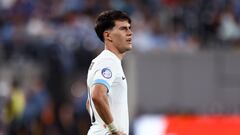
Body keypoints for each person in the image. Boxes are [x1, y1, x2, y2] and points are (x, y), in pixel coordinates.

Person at [86, 10, 133, 135]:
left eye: (129, 28)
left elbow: (89, 102)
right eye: (123, 29)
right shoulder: (109, 60)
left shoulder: (102, 61)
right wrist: (113, 129)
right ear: (108, 36)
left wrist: (102, 120)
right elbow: (97, 95)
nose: (130, 33)